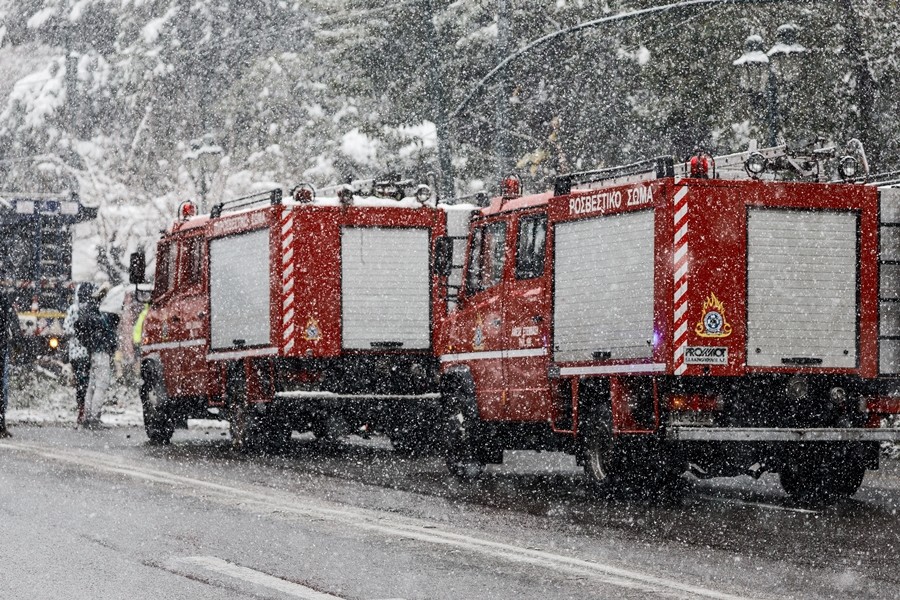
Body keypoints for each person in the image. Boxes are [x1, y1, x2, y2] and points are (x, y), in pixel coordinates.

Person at [75, 283, 118, 430]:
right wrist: (111, 345)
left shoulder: (90, 310)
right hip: (101, 352)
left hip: (93, 351)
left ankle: (88, 417)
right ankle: (93, 419)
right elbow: (108, 333)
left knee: (91, 386)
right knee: (101, 385)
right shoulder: (103, 312)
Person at [63, 283, 94, 426]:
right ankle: (86, 411)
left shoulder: (73, 309)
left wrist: (77, 333)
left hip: (76, 353)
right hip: (89, 353)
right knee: (88, 383)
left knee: (81, 383)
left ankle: (81, 410)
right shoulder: (92, 309)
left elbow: (66, 328)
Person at [0, 292, 15, 438]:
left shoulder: (3, 298)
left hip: (2, 345)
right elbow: (8, 320)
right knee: (2, 388)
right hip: (2, 346)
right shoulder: (3, 298)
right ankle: (1, 424)